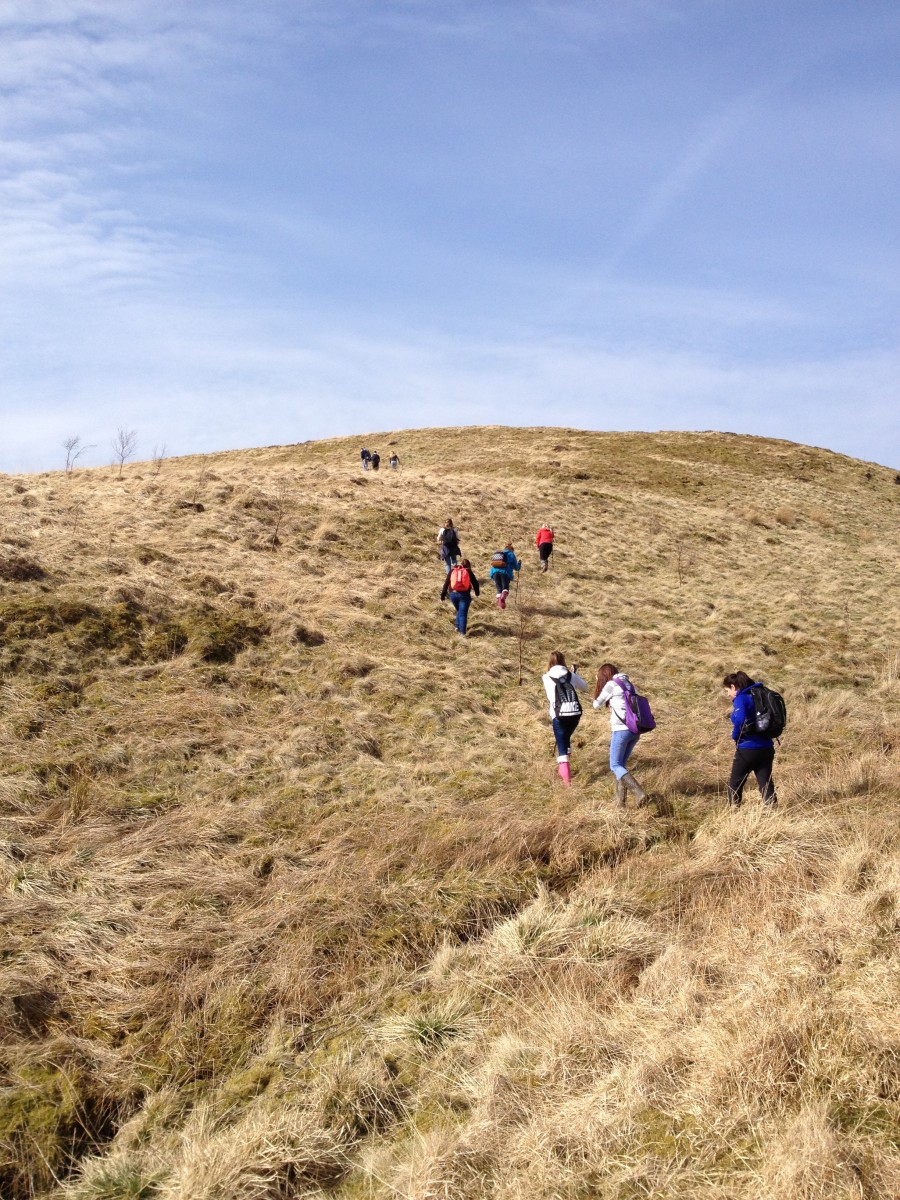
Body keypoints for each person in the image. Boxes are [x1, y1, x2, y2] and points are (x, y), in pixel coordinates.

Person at [593, 663, 648, 807]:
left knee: (615, 765)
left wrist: (597, 684)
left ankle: (639, 793)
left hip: (621, 730)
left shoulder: (611, 685)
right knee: (620, 766)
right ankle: (620, 804)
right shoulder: (629, 684)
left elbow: (596, 704)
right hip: (634, 731)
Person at [723, 672, 778, 808]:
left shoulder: (741, 699)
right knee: (765, 783)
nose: (728, 694)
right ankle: (773, 811)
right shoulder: (760, 695)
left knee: (735, 784)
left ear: (733, 687)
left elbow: (740, 720)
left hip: (747, 748)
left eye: (727, 690)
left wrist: (735, 736)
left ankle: (733, 812)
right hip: (767, 747)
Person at [542, 652, 589, 785]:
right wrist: (574, 675)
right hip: (574, 715)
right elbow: (584, 686)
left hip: (558, 716)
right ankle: (563, 771)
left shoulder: (546, 677)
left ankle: (567, 784)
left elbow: (550, 696)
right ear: (563, 661)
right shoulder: (571, 675)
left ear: (549, 662)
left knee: (562, 749)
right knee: (565, 738)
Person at [440, 558, 480, 636]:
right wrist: (477, 593)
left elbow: (446, 583)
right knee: (463, 614)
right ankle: (462, 634)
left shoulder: (452, 570)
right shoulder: (468, 571)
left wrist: (443, 596)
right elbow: (475, 583)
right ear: (469, 565)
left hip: (453, 595)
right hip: (464, 595)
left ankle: (457, 627)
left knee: (459, 610)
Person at [489, 543, 521, 609]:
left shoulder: (499, 554)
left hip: (494, 572)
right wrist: (519, 564)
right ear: (512, 549)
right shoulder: (511, 554)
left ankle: (501, 604)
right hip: (505, 573)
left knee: (499, 589)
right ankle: (503, 597)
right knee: (505, 588)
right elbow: (516, 568)